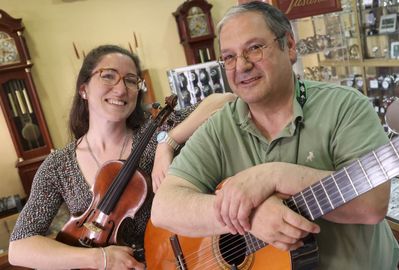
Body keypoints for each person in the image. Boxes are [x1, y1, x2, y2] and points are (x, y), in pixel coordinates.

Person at [152, 2, 399, 269]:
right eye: (229, 57)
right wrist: (250, 217)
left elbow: (372, 203)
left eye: (254, 48)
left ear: (290, 46)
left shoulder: (345, 107)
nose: (242, 66)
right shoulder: (220, 127)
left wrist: (275, 175)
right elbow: (164, 207)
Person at [8, 44, 234, 269]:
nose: (121, 89)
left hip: (180, 261)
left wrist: (168, 142)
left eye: (131, 80)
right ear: (83, 89)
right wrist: (100, 259)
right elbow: (19, 247)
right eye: (108, 76)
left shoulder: (158, 129)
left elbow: (225, 101)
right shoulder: (58, 165)